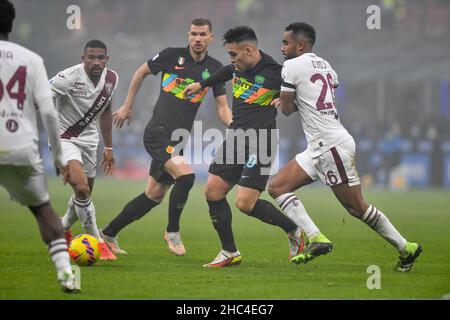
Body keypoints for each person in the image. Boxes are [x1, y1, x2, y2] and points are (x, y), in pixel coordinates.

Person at [268, 22, 422, 272]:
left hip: (330, 145)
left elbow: (286, 109)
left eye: (286, 43)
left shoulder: (292, 66)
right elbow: (328, 87)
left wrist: (283, 98)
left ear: (300, 45)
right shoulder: (326, 65)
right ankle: (317, 238)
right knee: (277, 187)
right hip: (320, 145)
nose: (282, 47)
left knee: (356, 207)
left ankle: (407, 248)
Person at [100, 18, 232, 256]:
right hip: (157, 133)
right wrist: (128, 105)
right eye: (194, 34)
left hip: (178, 140)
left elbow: (222, 108)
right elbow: (141, 71)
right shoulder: (172, 56)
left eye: (203, 34)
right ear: (188, 35)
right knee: (187, 177)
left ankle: (107, 233)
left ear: (211, 38)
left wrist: (236, 126)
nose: (198, 39)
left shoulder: (215, 69)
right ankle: (172, 231)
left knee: (153, 195)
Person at [183, 26, 304, 268]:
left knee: (245, 204)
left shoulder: (277, 73)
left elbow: (303, 93)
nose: (231, 60)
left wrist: (289, 99)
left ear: (248, 50)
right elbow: (226, 71)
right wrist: (201, 85)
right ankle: (229, 252)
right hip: (236, 137)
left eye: (234, 54)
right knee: (212, 192)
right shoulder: (237, 67)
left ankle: (293, 229)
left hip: (262, 141)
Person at [0, 0, 78, 292]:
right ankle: (67, 276)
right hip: (20, 146)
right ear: (12, 24)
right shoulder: (31, 59)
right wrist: (58, 159)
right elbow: (48, 112)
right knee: (43, 209)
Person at [50, 39, 118, 260]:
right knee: (82, 190)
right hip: (64, 139)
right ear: (83, 58)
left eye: (100, 58)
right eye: (91, 57)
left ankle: (62, 229)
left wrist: (108, 146)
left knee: (83, 195)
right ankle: (99, 243)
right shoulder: (67, 78)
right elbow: (42, 100)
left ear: (106, 60)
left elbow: (107, 111)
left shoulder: (112, 79)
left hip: (90, 142)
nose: (96, 62)